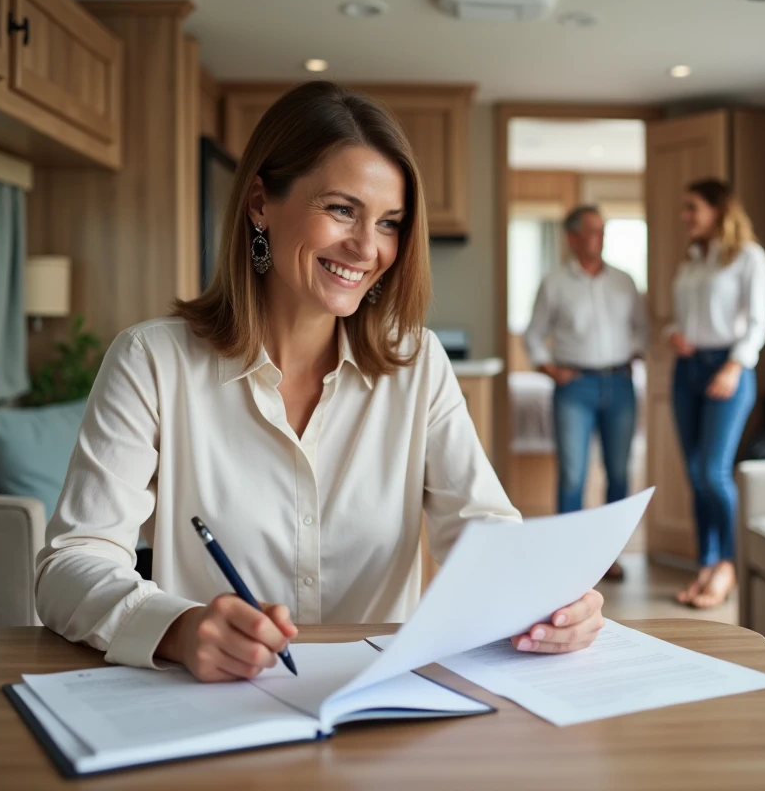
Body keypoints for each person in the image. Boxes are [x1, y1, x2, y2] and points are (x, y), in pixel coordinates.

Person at [35, 82, 606, 682]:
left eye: (390, 223)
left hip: (382, 704)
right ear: (260, 202)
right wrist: (178, 629)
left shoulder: (419, 365)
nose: (366, 248)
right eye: (341, 209)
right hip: (219, 705)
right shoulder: (152, 359)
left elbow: (481, 532)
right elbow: (71, 563)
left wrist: (548, 595)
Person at [523, 206, 648, 581]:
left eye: (603, 230)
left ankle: (608, 556)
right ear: (573, 237)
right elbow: (533, 335)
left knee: (619, 473)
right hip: (574, 387)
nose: (600, 237)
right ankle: (570, 560)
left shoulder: (625, 281)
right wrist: (550, 368)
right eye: (592, 231)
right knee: (573, 475)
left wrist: (634, 352)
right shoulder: (555, 283)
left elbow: (642, 329)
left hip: (620, 385)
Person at [667, 179, 765, 609]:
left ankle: (729, 562)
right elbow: (681, 318)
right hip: (687, 369)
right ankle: (706, 564)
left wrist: (733, 365)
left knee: (713, 471)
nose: (685, 216)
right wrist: (674, 334)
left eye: (692, 208)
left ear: (718, 210)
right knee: (694, 474)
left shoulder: (749, 257)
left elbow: (759, 321)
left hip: (729, 368)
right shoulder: (692, 260)